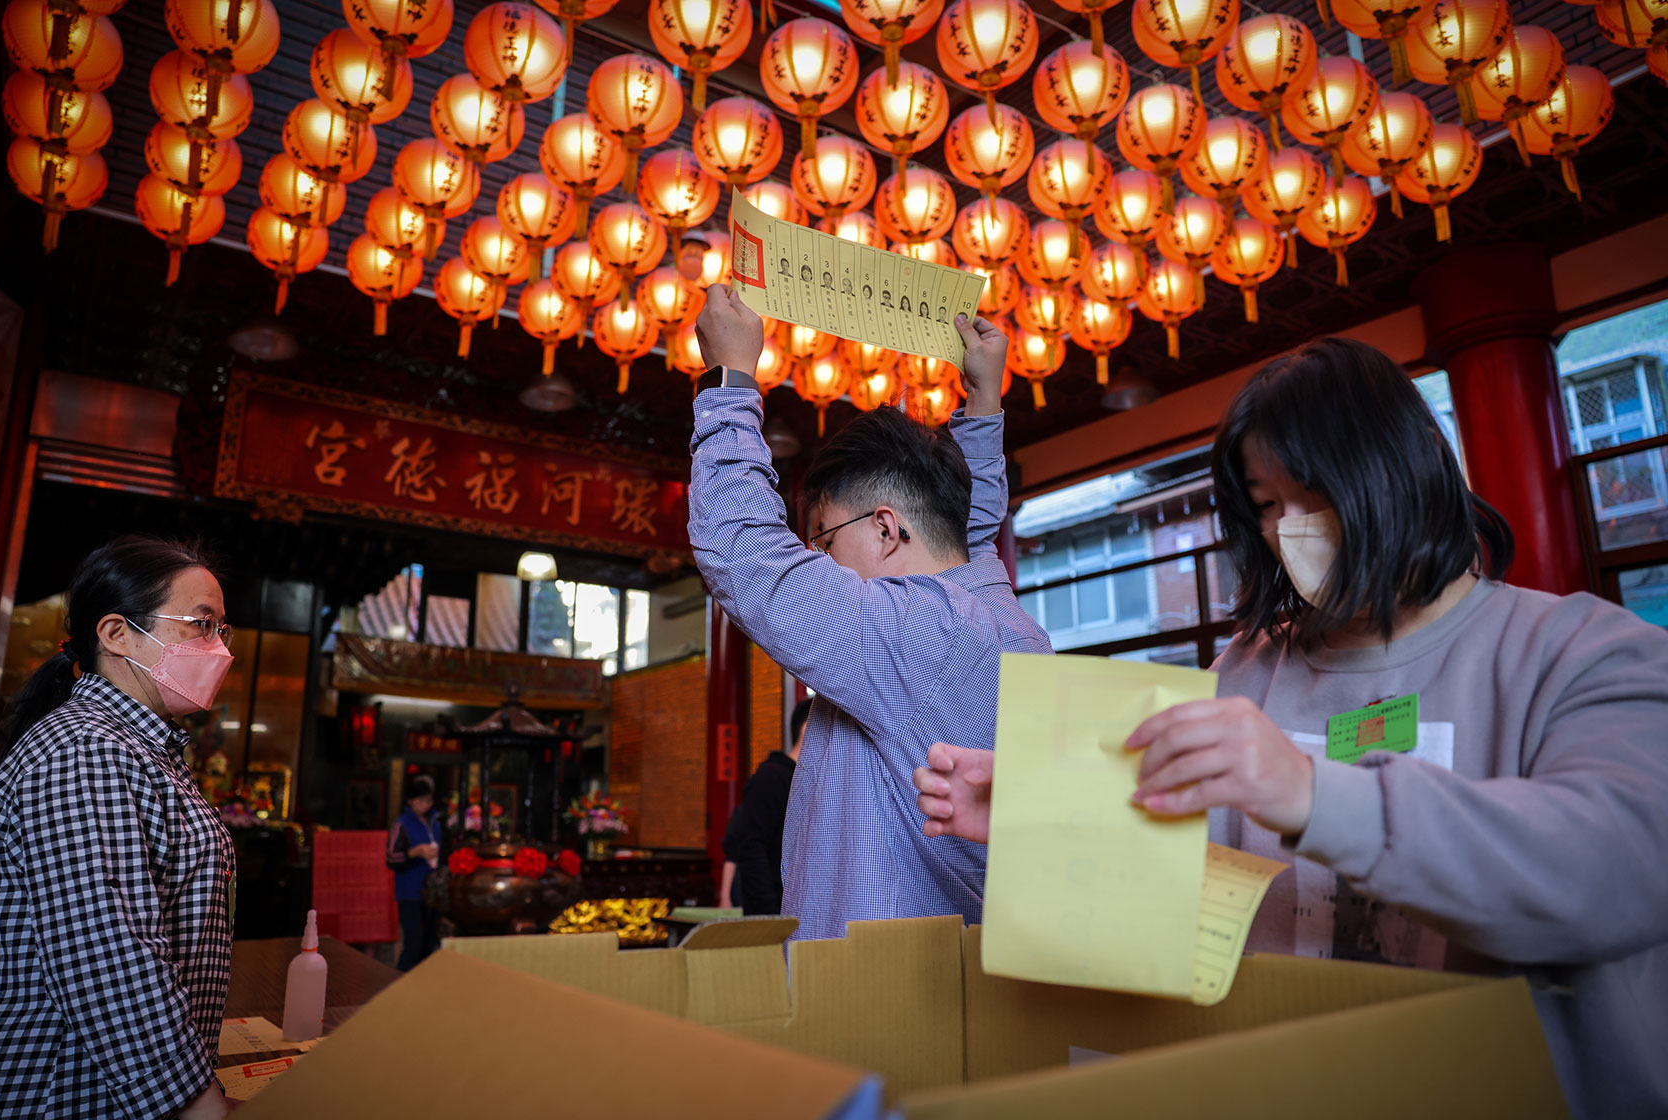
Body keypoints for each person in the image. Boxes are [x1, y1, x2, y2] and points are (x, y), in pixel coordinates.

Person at [911, 337, 1668, 1119]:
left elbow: (1621, 870)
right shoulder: (1244, 672)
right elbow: (1166, 853)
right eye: (1268, 505)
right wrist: (1044, 819)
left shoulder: (1583, 655)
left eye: (1313, 494)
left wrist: (1313, 796)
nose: (1288, 530)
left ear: (1399, 472)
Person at [690, 285, 1051, 942]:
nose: (819, 560)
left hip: (872, 1009)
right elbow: (969, 523)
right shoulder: (998, 616)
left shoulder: (914, 630)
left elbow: (740, 549)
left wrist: (729, 379)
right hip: (967, 990)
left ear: (885, 530)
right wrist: (985, 404)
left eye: (825, 539)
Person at [0, 536, 239, 1120]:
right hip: (73, 1091)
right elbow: (107, 957)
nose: (219, 649)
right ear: (117, 634)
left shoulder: (140, 750)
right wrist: (197, 1106)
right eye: (201, 626)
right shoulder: (84, 752)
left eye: (222, 630)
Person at [721, 698, 813, 915]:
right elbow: (750, 846)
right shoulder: (771, 778)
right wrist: (769, 914)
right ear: (807, 729)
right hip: (774, 910)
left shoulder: (811, 781)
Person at [386, 773, 442, 970]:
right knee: (414, 942)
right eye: (420, 800)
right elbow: (391, 858)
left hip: (433, 891)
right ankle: (398, 982)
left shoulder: (435, 823)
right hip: (410, 891)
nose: (425, 804)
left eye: (428, 800)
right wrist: (414, 853)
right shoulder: (401, 824)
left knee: (430, 942)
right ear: (410, 801)